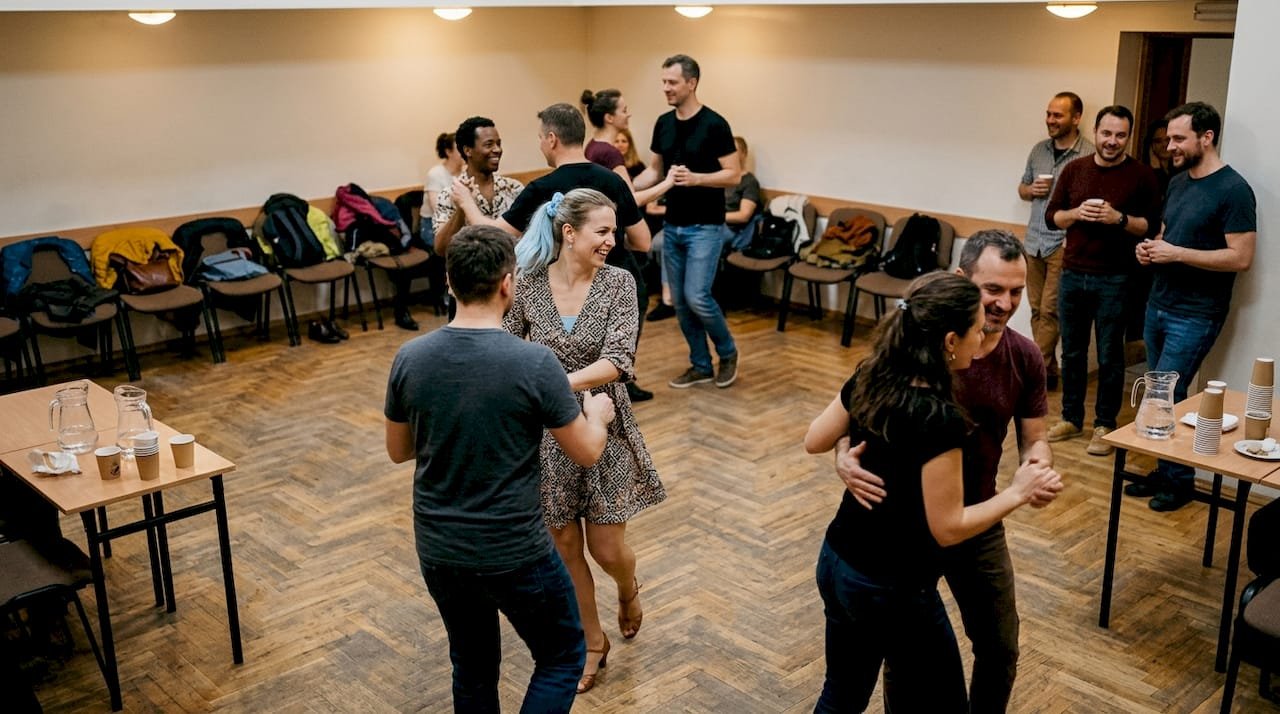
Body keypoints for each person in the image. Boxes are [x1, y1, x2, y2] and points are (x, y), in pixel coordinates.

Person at [384, 224, 617, 712]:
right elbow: (586, 452)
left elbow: (399, 450)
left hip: (440, 548)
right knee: (561, 656)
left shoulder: (410, 358)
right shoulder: (535, 363)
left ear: (449, 282)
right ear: (508, 284)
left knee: (471, 666)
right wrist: (596, 415)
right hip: (514, 548)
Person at [804, 271, 1060, 713]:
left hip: (838, 561)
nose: (984, 337)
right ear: (949, 341)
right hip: (890, 586)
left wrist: (845, 449)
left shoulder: (874, 372)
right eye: (976, 329)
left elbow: (815, 439)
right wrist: (1019, 492)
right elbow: (948, 527)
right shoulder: (938, 418)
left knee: (842, 694)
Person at [504, 188, 666, 695]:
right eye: (602, 232)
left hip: (604, 423)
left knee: (607, 545)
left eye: (614, 232)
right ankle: (592, 643)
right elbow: (508, 347)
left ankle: (626, 587)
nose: (612, 242)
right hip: (545, 436)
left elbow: (619, 360)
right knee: (565, 543)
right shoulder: (528, 285)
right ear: (568, 232)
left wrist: (553, 382)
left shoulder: (620, 284)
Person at [453, 103, 658, 402]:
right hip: (620, 288)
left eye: (539, 138)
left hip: (568, 295)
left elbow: (493, 234)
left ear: (551, 139)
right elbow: (643, 241)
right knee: (606, 389)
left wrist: (466, 203)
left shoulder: (542, 188)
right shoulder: (612, 180)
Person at [1131, 101, 1257, 512]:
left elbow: (1240, 257)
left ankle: (1179, 481)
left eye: (1179, 138)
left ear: (1207, 137)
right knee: (1156, 392)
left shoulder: (1234, 190)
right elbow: (1167, 234)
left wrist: (1177, 253)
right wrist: (1151, 250)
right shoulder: (1179, 182)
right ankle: (1164, 470)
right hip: (1159, 302)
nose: (1170, 146)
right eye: (1169, 138)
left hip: (1196, 312)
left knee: (1173, 392)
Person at [1044, 105, 1161, 456]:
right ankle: (1071, 417)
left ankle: (1104, 424)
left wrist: (1118, 218)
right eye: (1107, 134)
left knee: (1110, 355)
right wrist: (1076, 213)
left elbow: (1151, 226)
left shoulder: (1142, 176)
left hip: (1116, 278)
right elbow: (1053, 218)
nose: (1112, 141)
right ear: (1096, 132)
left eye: (1120, 135)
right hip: (1072, 272)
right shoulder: (1074, 169)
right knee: (1074, 351)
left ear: (1129, 136)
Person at [632, 54, 742, 389]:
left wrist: (696, 179)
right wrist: (623, 184)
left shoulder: (715, 124)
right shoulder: (663, 123)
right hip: (673, 226)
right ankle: (700, 364)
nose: (665, 88)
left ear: (691, 83)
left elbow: (733, 174)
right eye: (663, 82)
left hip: (706, 227)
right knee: (678, 302)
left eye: (672, 82)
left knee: (697, 297)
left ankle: (728, 352)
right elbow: (654, 170)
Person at [1017, 92, 1095, 390]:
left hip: (1063, 244)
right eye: (1049, 114)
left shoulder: (1088, 155)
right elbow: (1022, 188)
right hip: (1033, 240)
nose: (1050, 120)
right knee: (1036, 308)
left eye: (1057, 115)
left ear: (1076, 118)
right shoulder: (1038, 151)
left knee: (1051, 310)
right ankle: (1047, 370)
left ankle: (1031, 374)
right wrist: (1031, 190)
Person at [432, 116, 524, 258]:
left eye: (499, 144)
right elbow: (441, 249)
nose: (497, 150)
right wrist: (462, 209)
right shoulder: (450, 194)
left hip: (514, 272)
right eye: (489, 145)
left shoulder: (513, 188)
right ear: (468, 150)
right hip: (474, 276)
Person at [422, 131, 464, 249]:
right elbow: (438, 210)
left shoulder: (467, 172)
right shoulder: (435, 174)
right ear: (448, 152)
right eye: (460, 148)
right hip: (433, 226)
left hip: (460, 224)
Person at [722, 136, 762, 252]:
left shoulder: (749, 182)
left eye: (732, 150)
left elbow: (743, 216)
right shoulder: (720, 178)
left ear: (744, 154)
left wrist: (714, 218)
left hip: (732, 229)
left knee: (703, 242)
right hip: (709, 224)